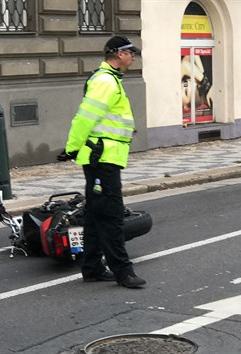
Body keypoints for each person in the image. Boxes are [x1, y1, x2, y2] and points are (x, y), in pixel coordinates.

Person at [57, 35, 146, 289]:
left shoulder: (110, 79)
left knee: (96, 215)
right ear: (119, 54)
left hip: (105, 158)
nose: (133, 57)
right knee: (112, 215)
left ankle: (93, 267)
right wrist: (72, 148)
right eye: (130, 52)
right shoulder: (106, 81)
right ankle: (123, 272)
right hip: (101, 159)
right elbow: (85, 118)